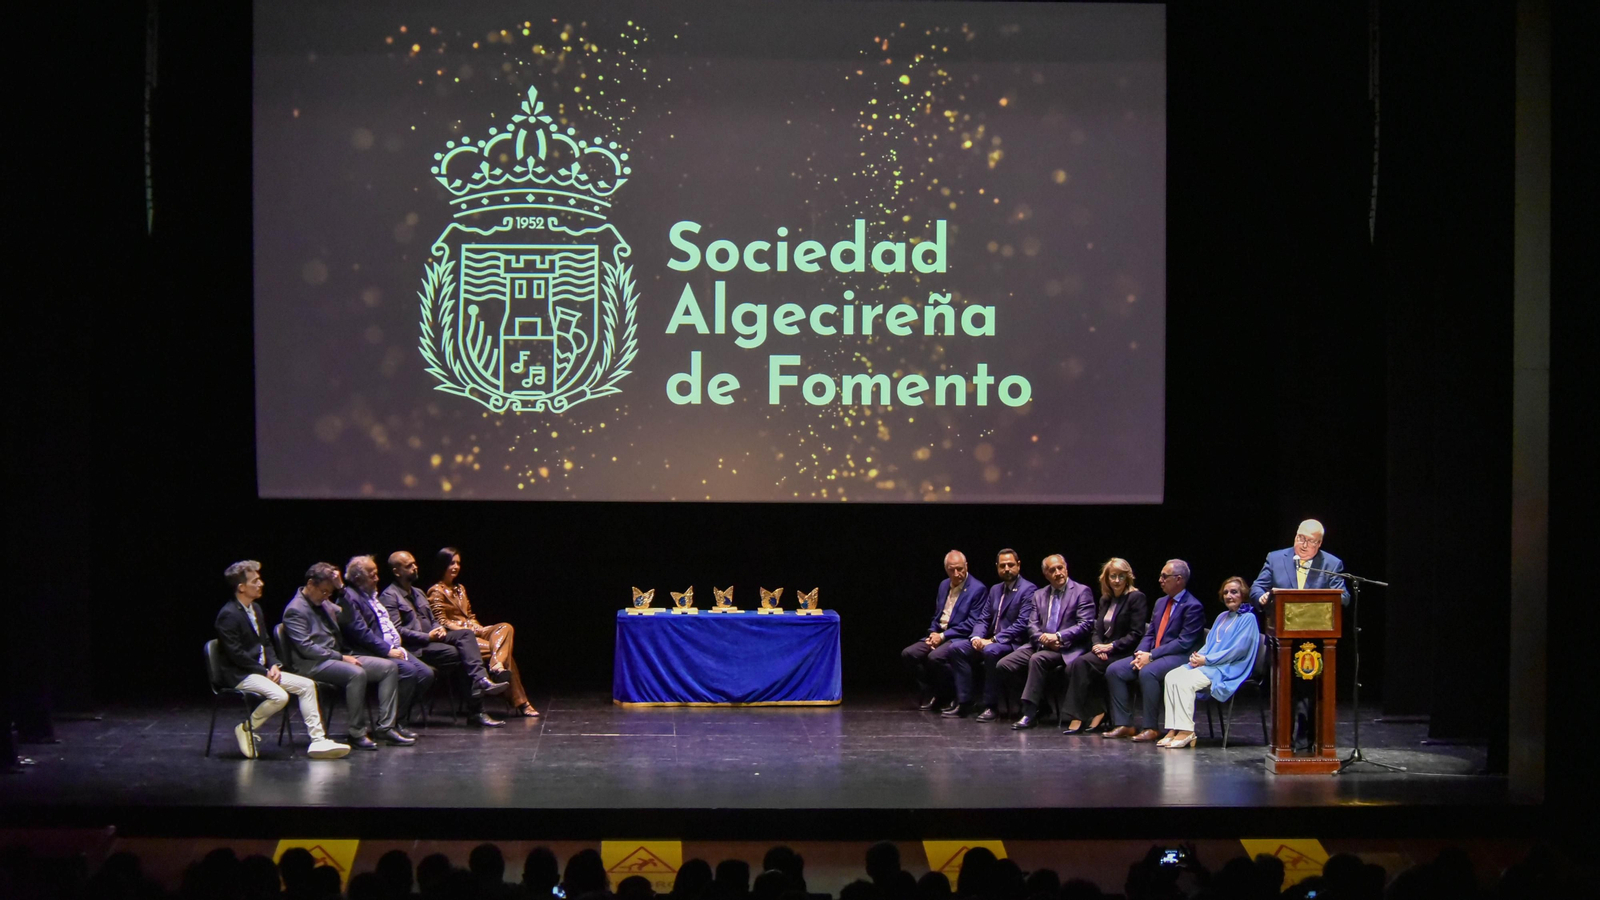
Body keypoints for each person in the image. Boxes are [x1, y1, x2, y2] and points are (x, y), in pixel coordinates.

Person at [213, 560, 350, 759]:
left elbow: (266, 642)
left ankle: (318, 741)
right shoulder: (228, 615)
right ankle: (246, 728)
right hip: (240, 673)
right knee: (280, 696)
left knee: (307, 685)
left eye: (259, 579)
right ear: (241, 587)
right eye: (255, 581)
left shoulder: (256, 609)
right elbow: (236, 655)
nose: (261, 584)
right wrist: (264, 671)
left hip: (261, 670)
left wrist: (274, 664)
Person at [282, 562, 413, 749]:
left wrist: (342, 591)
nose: (327, 596)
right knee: (356, 673)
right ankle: (356, 732)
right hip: (311, 663)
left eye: (330, 592)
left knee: (388, 667)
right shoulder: (295, 610)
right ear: (310, 584)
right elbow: (306, 648)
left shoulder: (325, 602)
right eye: (324, 591)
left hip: (335, 657)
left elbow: (347, 618)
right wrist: (341, 657)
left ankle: (385, 727)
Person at [380, 550, 509, 728]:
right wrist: (427, 636)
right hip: (415, 647)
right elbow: (397, 631)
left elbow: (433, 619)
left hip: (434, 639)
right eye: (409, 565)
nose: (415, 567)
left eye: (415, 563)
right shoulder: (389, 596)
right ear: (397, 571)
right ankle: (477, 710)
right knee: (464, 656)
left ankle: (481, 680)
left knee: (466, 635)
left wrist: (438, 628)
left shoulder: (418, 593)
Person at [1250, 518, 1348, 750]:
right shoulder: (1275, 558)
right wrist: (1261, 597)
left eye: (1310, 541)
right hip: (1282, 641)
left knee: (1309, 694)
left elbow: (1343, 598)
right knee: (1285, 693)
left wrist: (1319, 599)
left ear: (1320, 543)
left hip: (1314, 642)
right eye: (1299, 538)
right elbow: (1256, 588)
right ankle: (1282, 742)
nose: (1303, 545)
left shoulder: (1331, 564)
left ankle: (1305, 743)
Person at [427, 548, 539, 717]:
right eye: (452, 563)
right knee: (505, 654)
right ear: (443, 565)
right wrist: (466, 630)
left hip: (474, 630)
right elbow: (442, 622)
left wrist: (478, 628)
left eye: (458, 563)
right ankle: (521, 702)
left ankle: (496, 665)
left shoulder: (460, 589)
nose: (456, 566)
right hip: (459, 638)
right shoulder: (436, 591)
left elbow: (470, 615)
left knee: (505, 627)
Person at [1102, 559, 1205, 742]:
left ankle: (1151, 727)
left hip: (1179, 657)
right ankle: (1124, 723)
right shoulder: (1160, 602)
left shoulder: (1193, 606)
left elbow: (1183, 642)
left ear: (1179, 579)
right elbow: (1150, 633)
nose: (1160, 580)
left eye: (1165, 576)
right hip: (1153, 654)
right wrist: (1140, 654)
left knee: (1148, 673)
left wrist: (1151, 656)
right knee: (1115, 670)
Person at [1158, 576, 1261, 748]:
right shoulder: (1222, 616)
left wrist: (1207, 660)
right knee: (1171, 676)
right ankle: (1174, 728)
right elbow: (1210, 643)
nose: (1229, 595)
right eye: (1226, 592)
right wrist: (1198, 657)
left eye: (1234, 592)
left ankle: (1186, 731)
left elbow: (1237, 651)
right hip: (1210, 663)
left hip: (1229, 667)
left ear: (1243, 594)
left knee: (1185, 682)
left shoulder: (1248, 619)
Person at [340, 555, 434, 739]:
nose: (377, 578)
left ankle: (398, 719)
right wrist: (387, 650)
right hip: (368, 652)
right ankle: (388, 726)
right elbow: (361, 633)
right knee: (408, 672)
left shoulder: (371, 595)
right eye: (372, 575)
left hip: (392, 647)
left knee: (426, 674)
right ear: (358, 578)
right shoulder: (349, 599)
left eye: (376, 574)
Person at [999, 554, 1095, 730]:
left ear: (1066, 568)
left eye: (1061, 568)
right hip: (1041, 644)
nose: (1058, 573)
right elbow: (1032, 625)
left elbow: (1085, 625)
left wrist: (1058, 636)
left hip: (1066, 647)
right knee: (1005, 664)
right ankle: (1041, 705)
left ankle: (1029, 712)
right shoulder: (1039, 595)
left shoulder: (1082, 591)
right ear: (1046, 574)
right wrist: (1043, 639)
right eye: (1053, 570)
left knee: (1037, 659)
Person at [1060, 558, 1149, 734]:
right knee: (1071, 668)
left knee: (1079, 665)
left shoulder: (1136, 598)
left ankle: (1078, 716)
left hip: (1125, 651)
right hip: (1104, 651)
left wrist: (1111, 647)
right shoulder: (1105, 600)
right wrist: (1097, 645)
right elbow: (1096, 629)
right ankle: (1098, 710)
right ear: (1106, 579)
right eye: (1113, 576)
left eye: (1121, 577)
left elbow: (1136, 633)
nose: (1116, 581)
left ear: (1128, 577)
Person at [947, 549, 1037, 720]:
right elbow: (983, 618)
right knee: (956, 648)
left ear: (1018, 565)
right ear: (997, 567)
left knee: (990, 651)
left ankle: (991, 705)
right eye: (1002, 566)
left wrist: (993, 640)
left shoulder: (1028, 589)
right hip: (990, 640)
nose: (1007, 569)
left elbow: (1022, 624)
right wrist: (976, 637)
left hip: (1012, 642)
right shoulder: (995, 589)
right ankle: (965, 702)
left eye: (1010, 565)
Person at [898, 551, 987, 711]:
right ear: (946, 569)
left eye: (960, 569)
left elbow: (972, 623)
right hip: (939, 633)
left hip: (959, 637)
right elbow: (938, 615)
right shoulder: (943, 585)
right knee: (909, 654)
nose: (956, 574)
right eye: (951, 570)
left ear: (966, 566)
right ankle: (936, 690)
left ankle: (952, 694)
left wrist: (942, 636)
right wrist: (932, 633)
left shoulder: (977, 589)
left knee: (935, 657)